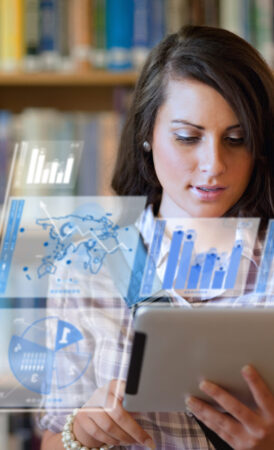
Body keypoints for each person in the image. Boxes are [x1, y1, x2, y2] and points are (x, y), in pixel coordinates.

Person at [38, 25, 274, 449]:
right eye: (187, 138)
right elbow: (53, 437)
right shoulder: (85, 267)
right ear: (147, 133)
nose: (213, 165)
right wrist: (81, 431)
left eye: (237, 140)